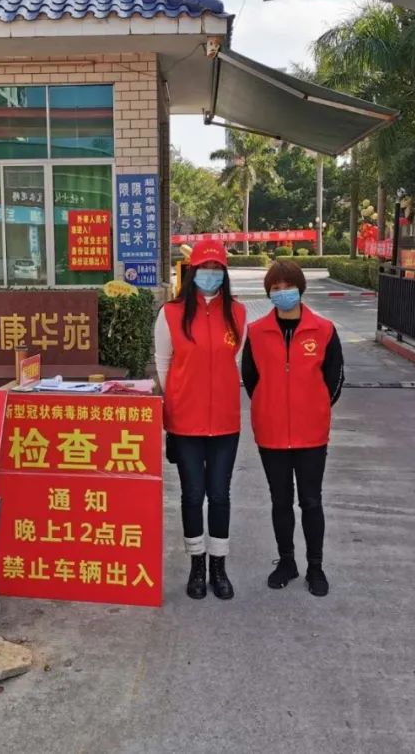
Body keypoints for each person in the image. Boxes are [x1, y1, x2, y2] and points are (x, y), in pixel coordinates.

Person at [242, 260, 343, 597]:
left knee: (311, 501)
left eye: (289, 287)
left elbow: (334, 379)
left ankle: (315, 566)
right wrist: (270, 405)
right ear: (268, 293)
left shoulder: (323, 330)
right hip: (271, 433)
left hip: (311, 434)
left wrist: (313, 407)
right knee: (280, 501)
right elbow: (250, 379)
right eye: (276, 288)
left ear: (301, 289)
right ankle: (287, 561)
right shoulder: (257, 332)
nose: (283, 292)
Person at [155, 240, 246, 600]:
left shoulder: (238, 313)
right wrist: (177, 400)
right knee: (193, 495)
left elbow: (234, 360)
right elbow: (164, 363)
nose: (210, 273)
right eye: (204, 267)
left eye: (217, 268)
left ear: (224, 272)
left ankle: (219, 567)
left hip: (225, 421)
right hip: (185, 422)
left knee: (220, 495)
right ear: (192, 271)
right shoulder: (171, 313)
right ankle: (197, 566)